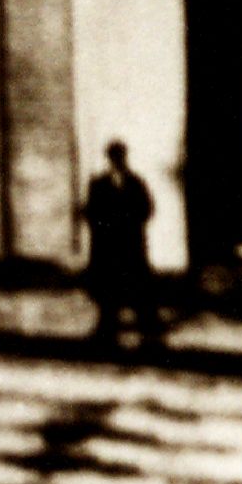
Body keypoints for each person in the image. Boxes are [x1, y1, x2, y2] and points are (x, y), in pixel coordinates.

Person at [84, 139, 161, 353]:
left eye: (120, 156)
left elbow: (147, 209)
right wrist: (105, 225)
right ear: (108, 158)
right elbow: (91, 212)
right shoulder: (98, 184)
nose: (117, 160)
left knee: (139, 288)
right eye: (114, 156)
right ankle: (106, 332)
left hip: (131, 245)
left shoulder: (136, 182)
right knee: (109, 291)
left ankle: (149, 334)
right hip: (108, 247)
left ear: (125, 157)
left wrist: (128, 221)